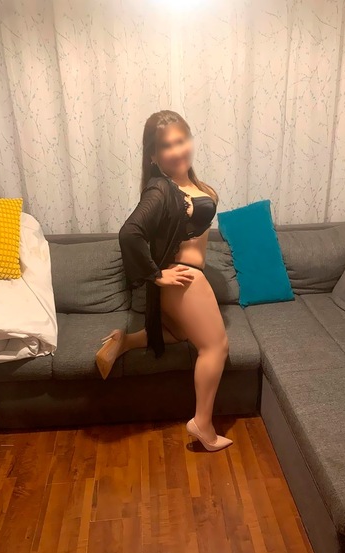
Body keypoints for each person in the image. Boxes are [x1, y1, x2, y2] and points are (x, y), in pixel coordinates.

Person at [95, 110, 232, 452]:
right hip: (184, 280)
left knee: (178, 334)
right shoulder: (160, 188)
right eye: (166, 146)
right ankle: (203, 424)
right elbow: (130, 233)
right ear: (153, 156)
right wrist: (157, 274)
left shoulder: (191, 186)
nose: (177, 150)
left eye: (181, 140)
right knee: (216, 347)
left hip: (181, 285)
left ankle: (125, 341)